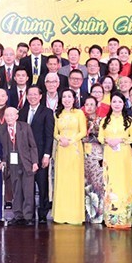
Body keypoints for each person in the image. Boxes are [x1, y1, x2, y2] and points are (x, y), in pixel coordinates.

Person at [99, 92, 132, 228]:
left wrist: (121, 139)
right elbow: (99, 137)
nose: (117, 104)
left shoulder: (129, 120)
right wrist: (107, 140)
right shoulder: (105, 120)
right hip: (110, 155)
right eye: (114, 102)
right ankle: (111, 218)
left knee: (124, 183)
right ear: (111, 103)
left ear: (124, 104)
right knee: (110, 183)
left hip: (124, 156)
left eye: (120, 102)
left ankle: (124, 218)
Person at [18, 85, 54, 223]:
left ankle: (43, 213)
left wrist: (46, 154)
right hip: (25, 156)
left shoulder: (47, 112)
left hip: (40, 154)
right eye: (30, 94)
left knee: (42, 184)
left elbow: (49, 135)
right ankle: (29, 214)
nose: (32, 97)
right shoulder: (22, 112)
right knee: (27, 186)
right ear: (26, 96)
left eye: (35, 94)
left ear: (40, 96)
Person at [0, 107, 38, 226]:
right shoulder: (1, 130)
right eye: (7, 115)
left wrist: (35, 162)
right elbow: (2, 148)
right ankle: (18, 215)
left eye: (11, 115)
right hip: (12, 163)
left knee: (28, 190)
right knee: (16, 190)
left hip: (26, 162)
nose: (9, 118)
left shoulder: (25, 127)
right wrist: (3, 160)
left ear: (17, 116)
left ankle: (28, 216)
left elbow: (33, 146)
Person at [52, 89, 87, 225]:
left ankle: (74, 215)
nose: (66, 99)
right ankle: (61, 215)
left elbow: (83, 131)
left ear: (74, 99)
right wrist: (61, 139)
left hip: (74, 149)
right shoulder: (58, 114)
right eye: (64, 96)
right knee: (62, 180)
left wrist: (70, 141)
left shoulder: (79, 113)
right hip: (61, 150)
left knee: (74, 181)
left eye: (69, 97)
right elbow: (55, 132)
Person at [82, 96, 105, 224]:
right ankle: (87, 214)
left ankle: (99, 215)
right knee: (86, 184)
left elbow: (103, 138)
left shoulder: (101, 121)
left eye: (92, 104)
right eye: (87, 104)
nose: (90, 107)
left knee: (98, 183)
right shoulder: (81, 120)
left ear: (97, 106)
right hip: (84, 156)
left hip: (97, 155)